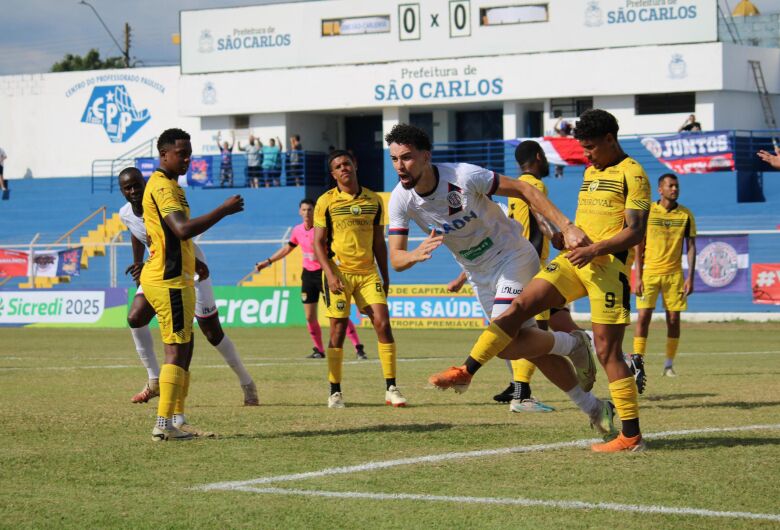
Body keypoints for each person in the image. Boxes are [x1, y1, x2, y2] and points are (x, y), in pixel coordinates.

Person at [427, 110, 651, 452]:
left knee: (608, 353)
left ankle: (631, 436)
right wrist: (564, 237)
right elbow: (588, 220)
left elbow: (635, 231)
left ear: (610, 139)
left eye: (590, 147)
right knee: (519, 307)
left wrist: (596, 249)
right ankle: (467, 370)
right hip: (573, 262)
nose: (586, 155)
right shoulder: (591, 171)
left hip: (608, 270)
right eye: (583, 148)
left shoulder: (633, 174)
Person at [386, 124, 617, 437]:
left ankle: (576, 343)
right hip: (480, 276)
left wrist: (568, 226)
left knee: (505, 339)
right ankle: (593, 406)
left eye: (407, 157)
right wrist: (413, 255)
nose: (400, 166)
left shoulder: (464, 176)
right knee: (523, 346)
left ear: (426, 156)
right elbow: (396, 259)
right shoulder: (401, 200)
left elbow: (526, 190)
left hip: (513, 257)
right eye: (394, 159)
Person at [118, 167, 259, 410]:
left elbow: (179, 234)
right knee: (135, 317)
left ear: (144, 183)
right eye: (126, 188)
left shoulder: (161, 198)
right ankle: (154, 381)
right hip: (158, 270)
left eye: (136, 185)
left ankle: (246, 382)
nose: (132, 191)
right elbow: (138, 233)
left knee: (212, 333)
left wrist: (196, 262)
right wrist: (138, 262)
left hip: (190, 265)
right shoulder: (125, 213)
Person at [140, 128, 244, 441]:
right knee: (175, 350)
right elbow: (182, 229)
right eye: (181, 153)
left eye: (189, 153)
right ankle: (164, 423)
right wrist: (223, 210)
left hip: (174, 276)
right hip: (168, 280)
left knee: (183, 347)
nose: (187, 158)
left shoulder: (169, 186)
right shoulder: (164, 188)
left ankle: (175, 420)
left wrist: (192, 261)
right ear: (163, 155)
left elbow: (170, 235)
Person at [312, 150, 406, 408]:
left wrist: (385, 276)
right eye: (338, 166)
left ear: (356, 165)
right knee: (338, 330)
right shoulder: (325, 202)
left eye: (347, 164)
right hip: (339, 274)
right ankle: (335, 391)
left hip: (367, 273)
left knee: (383, 324)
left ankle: (391, 388)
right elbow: (318, 243)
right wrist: (330, 274)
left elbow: (379, 241)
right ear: (333, 174)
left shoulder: (374, 200)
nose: (344, 168)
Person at [255, 198, 368, 360]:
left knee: (338, 313)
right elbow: (288, 248)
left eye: (310, 210)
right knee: (309, 316)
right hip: (308, 275)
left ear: (314, 211)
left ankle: (358, 348)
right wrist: (267, 262)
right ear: (299, 212)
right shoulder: (297, 230)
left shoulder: (322, 229)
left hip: (325, 274)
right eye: (304, 210)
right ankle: (319, 350)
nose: (307, 213)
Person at [633, 173, 696, 380]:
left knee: (674, 319)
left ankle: (669, 365)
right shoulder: (648, 212)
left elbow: (691, 247)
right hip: (649, 273)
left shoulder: (685, 214)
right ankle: (637, 363)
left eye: (677, 186)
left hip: (674, 275)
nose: (675, 189)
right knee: (643, 318)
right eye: (671, 186)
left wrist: (690, 277)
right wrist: (638, 276)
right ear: (660, 189)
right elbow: (638, 245)